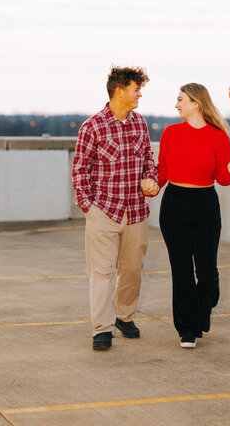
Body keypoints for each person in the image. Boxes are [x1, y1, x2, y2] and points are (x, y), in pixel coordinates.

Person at [72, 66, 159, 351]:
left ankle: (124, 316)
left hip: (135, 212)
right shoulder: (92, 126)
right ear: (119, 91)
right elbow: (80, 170)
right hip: (103, 212)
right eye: (136, 89)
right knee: (102, 272)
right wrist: (88, 207)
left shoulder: (140, 123)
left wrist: (151, 178)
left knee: (133, 269)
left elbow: (148, 157)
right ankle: (102, 328)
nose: (140, 94)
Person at [158, 83, 230, 349]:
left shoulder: (218, 136)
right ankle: (188, 329)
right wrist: (150, 186)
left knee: (207, 273)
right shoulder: (170, 133)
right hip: (174, 203)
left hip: (205, 205)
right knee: (181, 271)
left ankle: (200, 311)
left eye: (180, 99)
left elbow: (223, 180)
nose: (176, 104)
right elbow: (161, 171)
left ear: (196, 103)